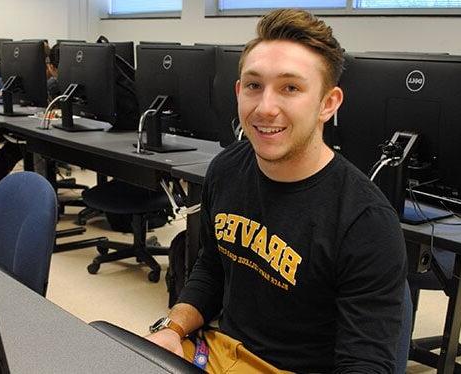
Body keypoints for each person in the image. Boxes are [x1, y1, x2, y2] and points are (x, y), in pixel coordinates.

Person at [146, 9, 407, 373]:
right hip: (220, 354)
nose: (266, 108)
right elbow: (211, 268)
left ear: (328, 104)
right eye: (254, 85)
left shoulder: (366, 222)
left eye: (291, 88)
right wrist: (172, 330)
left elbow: (364, 364)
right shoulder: (226, 169)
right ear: (239, 92)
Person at [0, 41, 60, 212]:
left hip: (60, 138)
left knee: (19, 143)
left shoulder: (54, 84)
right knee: (17, 142)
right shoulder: (47, 83)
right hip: (46, 130)